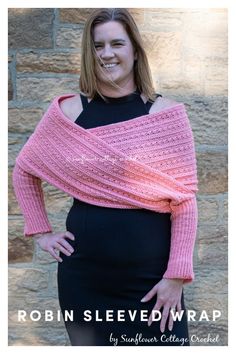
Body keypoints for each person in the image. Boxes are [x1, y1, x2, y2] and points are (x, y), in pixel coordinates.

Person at [12, 8, 198, 346]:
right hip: (85, 279)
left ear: (135, 50)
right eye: (98, 46)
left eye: (117, 43)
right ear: (89, 52)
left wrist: (176, 277)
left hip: (152, 281)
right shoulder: (69, 113)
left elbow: (184, 201)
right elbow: (24, 170)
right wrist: (41, 232)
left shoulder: (166, 115)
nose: (107, 54)